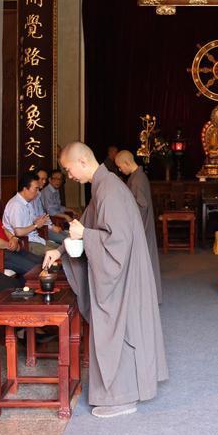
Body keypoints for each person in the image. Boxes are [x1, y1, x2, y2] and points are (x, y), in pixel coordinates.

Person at [43, 142, 167, 419]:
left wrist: (84, 236)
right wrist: (60, 249)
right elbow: (85, 228)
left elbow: (116, 242)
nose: (68, 175)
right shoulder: (102, 186)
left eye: (68, 168)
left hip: (121, 275)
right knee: (113, 329)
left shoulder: (109, 189)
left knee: (118, 329)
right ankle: (119, 392)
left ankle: (122, 396)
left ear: (83, 161)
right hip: (119, 271)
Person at [115, 150, 162, 304]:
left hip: (141, 225)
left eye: (120, 166)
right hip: (141, 224)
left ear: (127, 163)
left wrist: (130, 225)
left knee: (143, 260)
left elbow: (141, 205)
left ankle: (145, 297)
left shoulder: (137, 179)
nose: (120, 170)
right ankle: (146, 295)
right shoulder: (137, 176)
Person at [3, 171, 59, 258]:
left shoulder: (27, 203)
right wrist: (36, 225)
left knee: (62, 250)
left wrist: (40, 220)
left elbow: (32, 220)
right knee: (57, 254)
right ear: (25, 189)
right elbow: (18, 232)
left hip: (35, 239)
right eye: (35, 189)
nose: (37, 192)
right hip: (26, 243)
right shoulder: (16, 205)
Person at [31, 169, 66, 244]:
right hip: (38, 231)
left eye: (45, 179)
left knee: (69, 237)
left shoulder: (38, 195)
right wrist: (52, 227)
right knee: (67, 241)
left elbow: (43, 215)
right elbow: (35, 219)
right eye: (42, 179)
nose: (44, 182)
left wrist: (52, 226)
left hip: (44, 227)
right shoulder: (30, 197)